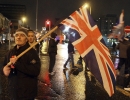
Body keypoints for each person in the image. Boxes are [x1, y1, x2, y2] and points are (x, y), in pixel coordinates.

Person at [2, 28, 41, 100]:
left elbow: (35, 71)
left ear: (26, 39)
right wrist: (4, 70)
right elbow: (4, 65)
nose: (18, 37)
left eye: (22, 35)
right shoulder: (10, 52)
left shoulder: (32, 53)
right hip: (13, 92)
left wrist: (17, 63)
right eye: (16, 35)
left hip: (27, 93)